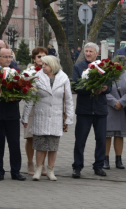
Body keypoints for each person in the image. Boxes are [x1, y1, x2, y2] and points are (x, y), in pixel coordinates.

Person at [22, 56, 74, 181]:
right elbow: (30, 99)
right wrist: (25, 118)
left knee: (53, 145)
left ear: (53, 66)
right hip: (40, 115)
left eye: (46, 64)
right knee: (40, 144)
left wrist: (68, 118)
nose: (43, 66)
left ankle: (51, 170)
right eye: (43, 64)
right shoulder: (37, 77)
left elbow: (69, 99)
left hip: (56, 116)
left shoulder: (63, 78)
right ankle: (38, 169)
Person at [72, 42, 111, 178]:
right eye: (86, 51)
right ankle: (77, 167)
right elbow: (76, 86)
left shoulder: (103, 67)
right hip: (84, 110)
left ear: (97, 53)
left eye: (90, 51)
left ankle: (98, 166)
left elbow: (110, 85)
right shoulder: (78, 67)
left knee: (101, 140)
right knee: (80, 140)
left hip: (100, 110)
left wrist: (105, 88)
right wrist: (91, 89)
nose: (88, 53)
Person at [104, 55, 126, 170]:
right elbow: (103, 89)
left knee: (119, 135)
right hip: (109, 109)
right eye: (116, 63)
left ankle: (119, 159)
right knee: (107, 135)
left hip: (122, 109)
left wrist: (121, 102)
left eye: (121, 64)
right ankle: (105, 159)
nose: (118, 65)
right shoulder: (107, 74)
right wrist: (114, 102)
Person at [0, 47, 26, 181]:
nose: (8, 59)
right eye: (5, 57)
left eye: (9, 57)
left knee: (14, 143)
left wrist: (16, 96)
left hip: (12, 113)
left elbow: (23, 91)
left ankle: (16, 171)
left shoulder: (17, 72)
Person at [24, 47, 48, 176]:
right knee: (30, 137)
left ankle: (41, 164)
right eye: (39, 56)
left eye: (44, 56)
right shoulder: (29, 71)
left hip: (45, 107)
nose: (41, 59)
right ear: (34, 58)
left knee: (43, 137)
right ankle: (29, 162)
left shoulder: (50, 71)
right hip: (32, 106)